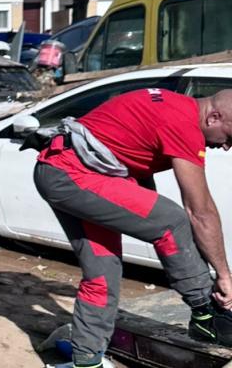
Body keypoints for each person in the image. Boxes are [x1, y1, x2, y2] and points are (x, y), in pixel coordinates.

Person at [33, 88, 232, 368]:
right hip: (72, 174)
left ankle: (86, 362)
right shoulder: (184, 124)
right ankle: (206, 316)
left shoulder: (171, 103)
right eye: (229, 138)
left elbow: (132, 152)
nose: (226, 147)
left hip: (67, 169)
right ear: (213, 118)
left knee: (102, 273)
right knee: (171, 221)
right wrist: (224, 275)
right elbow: (200, 211)